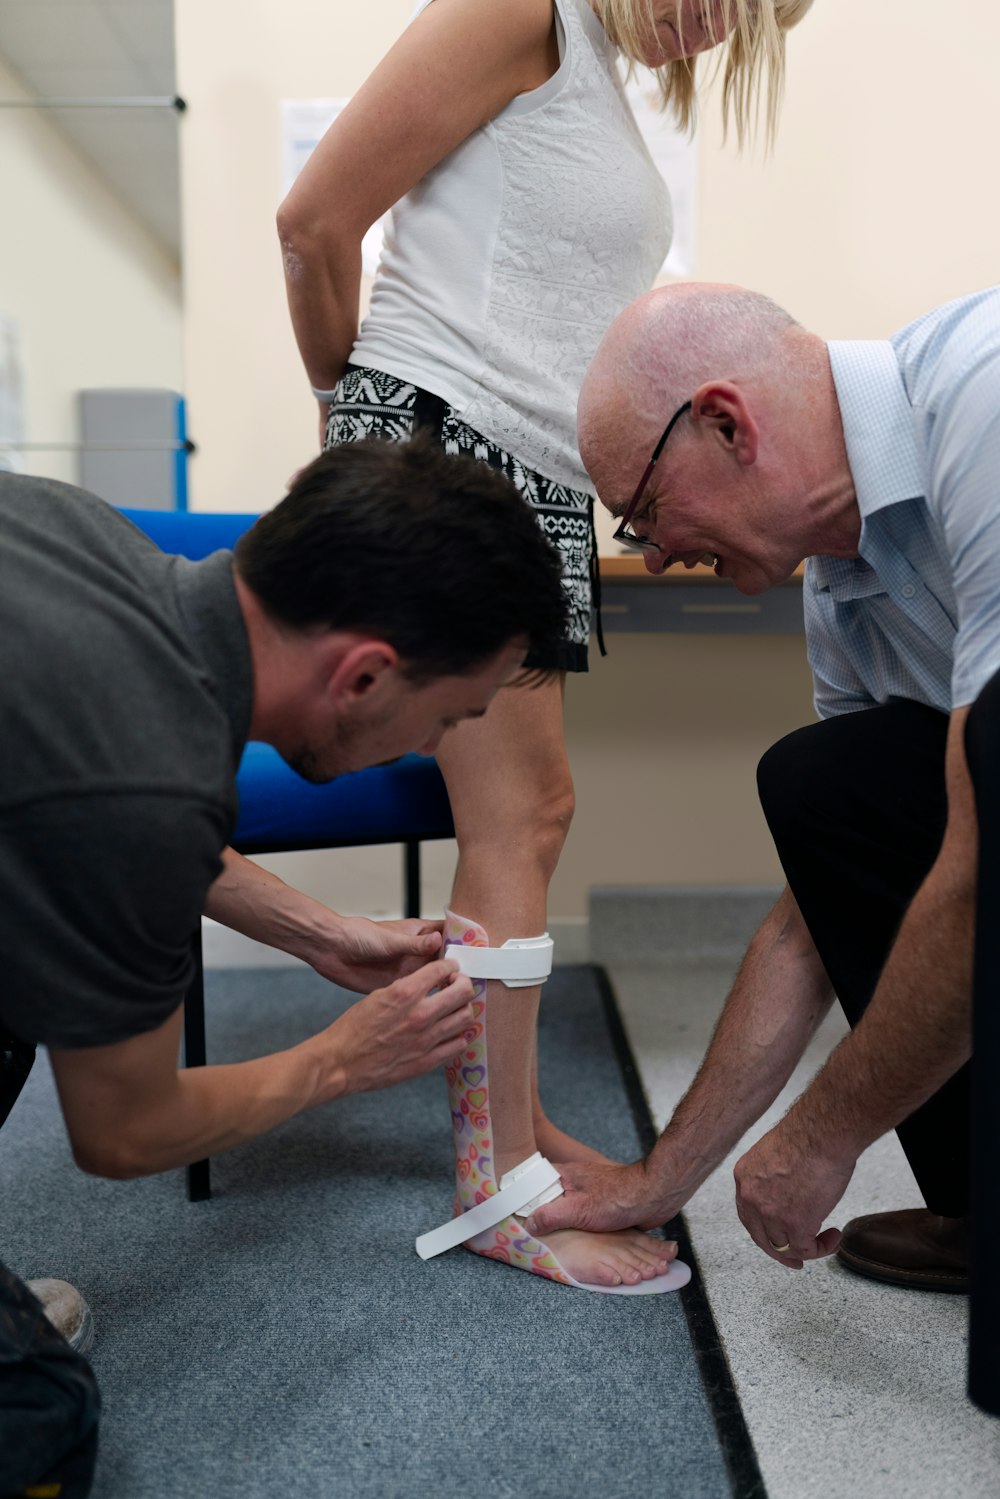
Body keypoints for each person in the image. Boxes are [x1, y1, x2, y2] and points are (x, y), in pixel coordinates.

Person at [277, 0, 812, 1291]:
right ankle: (499, 1182)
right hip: (451, 444)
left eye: (750, 31)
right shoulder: (525, 7)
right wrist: (364, 429)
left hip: (528, 472)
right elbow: (313, 222)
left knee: (530, 817)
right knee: (525, 815)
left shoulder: (600, 80)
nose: (714, 38)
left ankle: (503, 1132)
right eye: (732, 4)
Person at [0, 434, 578, 1495]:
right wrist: (344, 1061)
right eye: (446, 715)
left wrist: (319, 931)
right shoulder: (149, 773)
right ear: (361, 672)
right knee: (41, 1417)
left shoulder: (72, 533)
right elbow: (123, 1131)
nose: (426, 746)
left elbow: (79, 804)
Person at [519, 280, 1000, 1411]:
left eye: (642, 511)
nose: (657, 551)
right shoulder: (847, 595)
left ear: (728, 423)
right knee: (827, 786)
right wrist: (658, 1176)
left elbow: (986, 868)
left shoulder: (983, 394)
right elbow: (816, 914)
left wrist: (823, 1136)